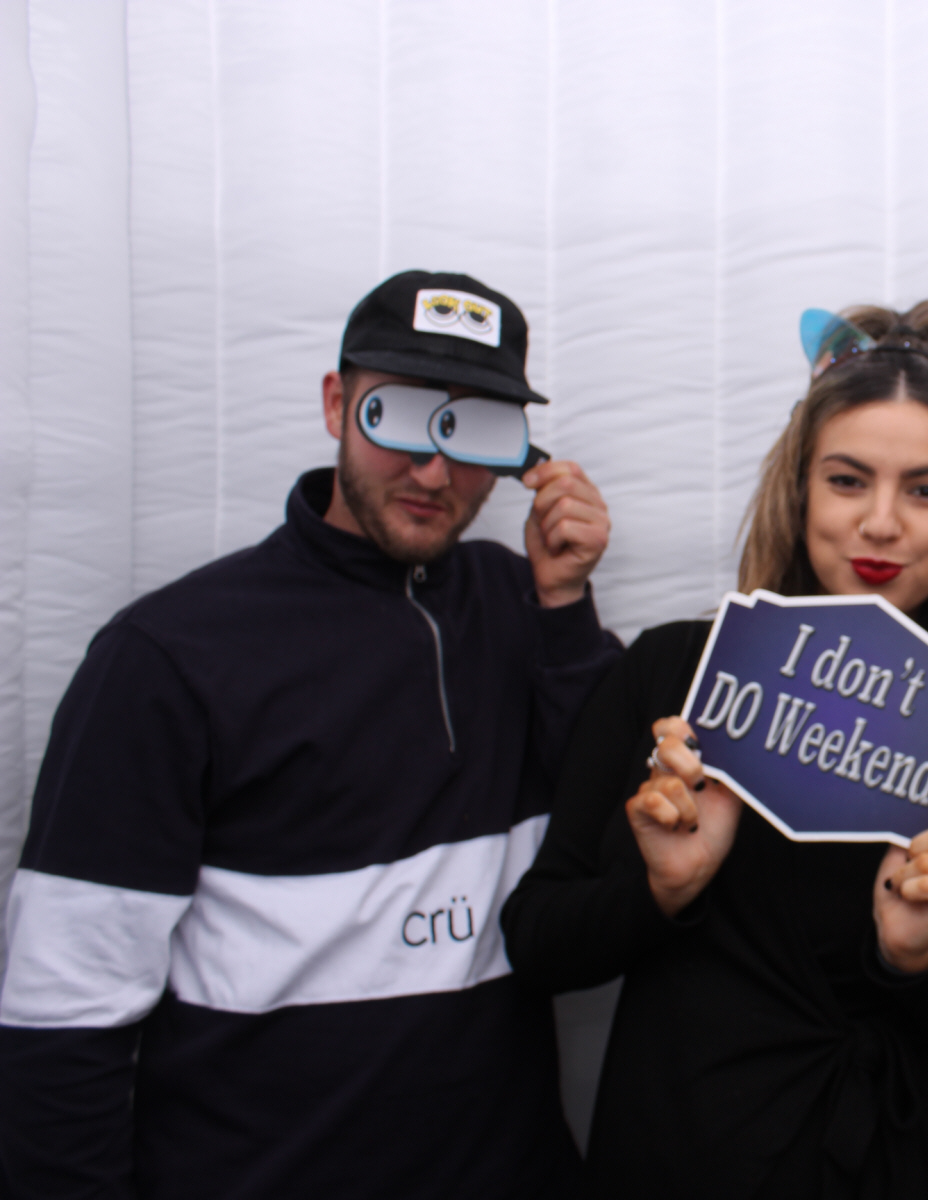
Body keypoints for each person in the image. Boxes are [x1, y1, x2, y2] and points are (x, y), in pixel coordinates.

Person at [0, 270, 620, 1199]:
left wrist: (565, 607)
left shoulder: (522, 601)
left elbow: (607, 841)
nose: (434, 470)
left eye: (474, 430)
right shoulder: (168, 654)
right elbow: (62, 1010)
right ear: (337, 404)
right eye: (397, 416)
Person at [502, 301, 928, 1198]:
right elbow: (537, 944)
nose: (881, 523)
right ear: (799, 489)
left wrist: (920, 961)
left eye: (927, 490)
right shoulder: (673, 677)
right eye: (847, 481)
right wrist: (660, 890)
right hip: (684, 1157)